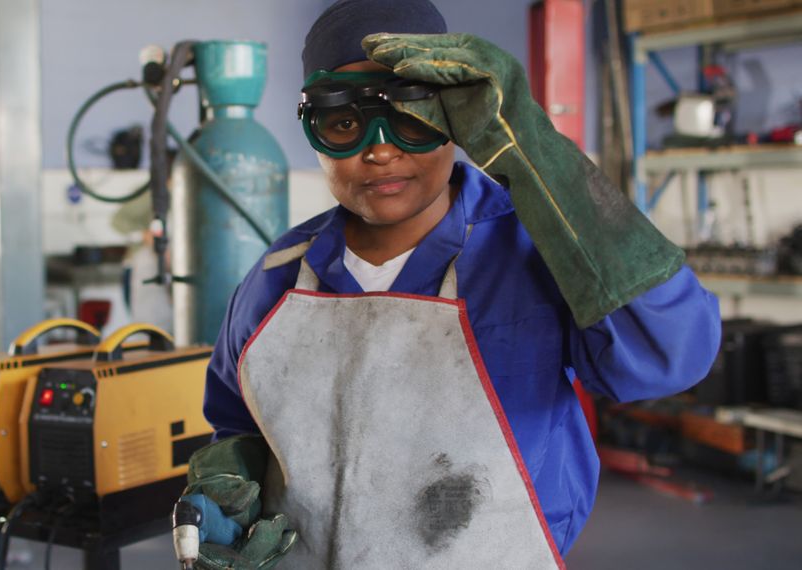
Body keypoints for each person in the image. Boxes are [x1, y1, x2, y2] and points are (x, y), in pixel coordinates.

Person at [178, 0, 721, 568]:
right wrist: (224, 488)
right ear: (314, 133)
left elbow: (672, 358)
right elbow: (239, 424)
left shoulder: (543, 248)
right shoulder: (277, 277)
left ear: (460, 115)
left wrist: (535, 150)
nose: (381, 149)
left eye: (413, 115)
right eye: (344, 122)